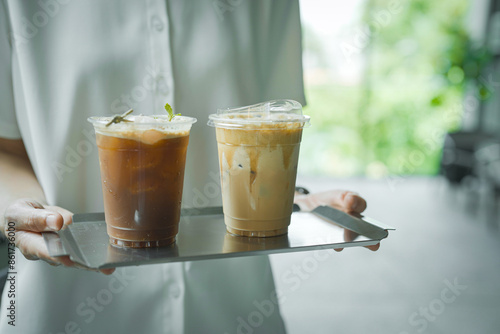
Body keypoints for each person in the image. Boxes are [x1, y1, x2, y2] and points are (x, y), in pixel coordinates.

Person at [0, 1, 374, 333]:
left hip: (236, 309)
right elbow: (5, 148)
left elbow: (271, 126)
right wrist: (17, 211)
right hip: (64, 308)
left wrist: (291, 201)